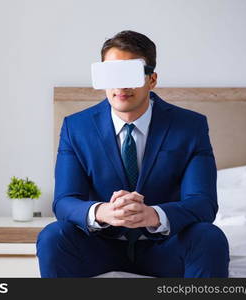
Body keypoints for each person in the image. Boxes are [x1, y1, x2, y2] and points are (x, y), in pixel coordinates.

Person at [37, 30, 230, 278]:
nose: (121, 85)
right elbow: (64, 202)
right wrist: (102, 212)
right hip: (99, 247)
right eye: (112, 75)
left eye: (130, 74)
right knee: (53, 236)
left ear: (152, 79)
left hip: (165, 248)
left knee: (209, 237)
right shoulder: (76, 127)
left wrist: (153, 215)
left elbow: (203, 204)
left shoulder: (190, 127)